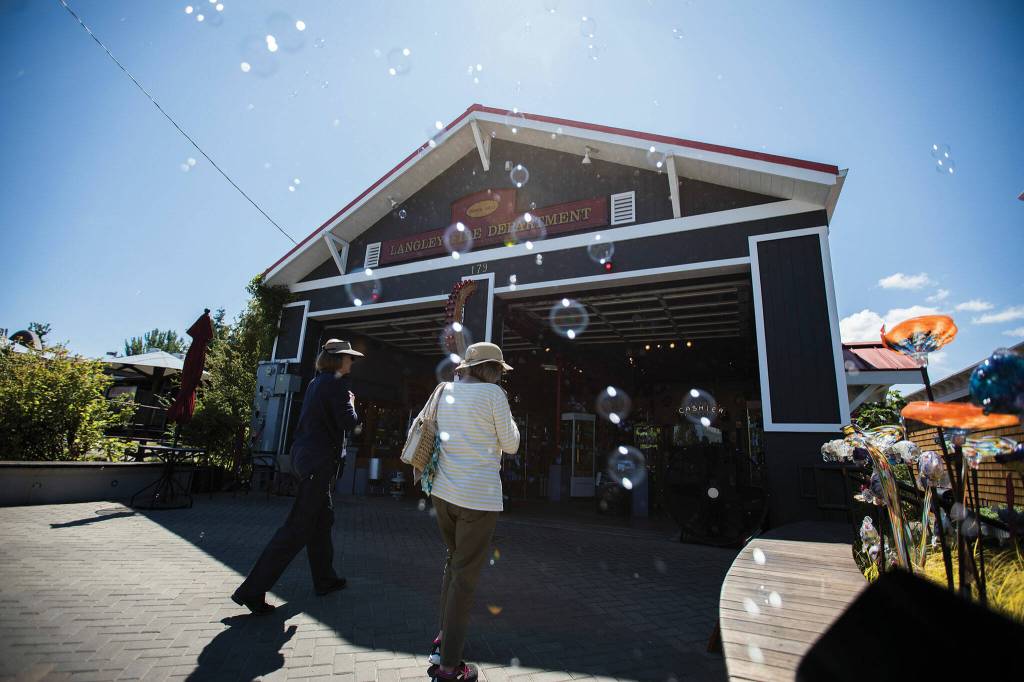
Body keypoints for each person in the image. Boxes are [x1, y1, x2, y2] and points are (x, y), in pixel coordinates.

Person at [231, 339, 363, 614]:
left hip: (305, 459)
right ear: (338, 359)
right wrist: (352, 403)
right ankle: (251, 591)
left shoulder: (316, 383)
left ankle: (325, 579)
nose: (352, 361)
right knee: (296, 529)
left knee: (322, 521)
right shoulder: (338, 385)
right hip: (318, 462)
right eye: (349, 357)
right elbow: (349, 422)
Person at [423, 342, 520, 681]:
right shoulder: (494, 396)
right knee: (464, 577)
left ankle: (443, 637)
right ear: (491, 370)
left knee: (453, 565)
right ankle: (449, 666)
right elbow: (511, 445)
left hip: (442, 494)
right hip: (477, 499)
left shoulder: (444, 389)